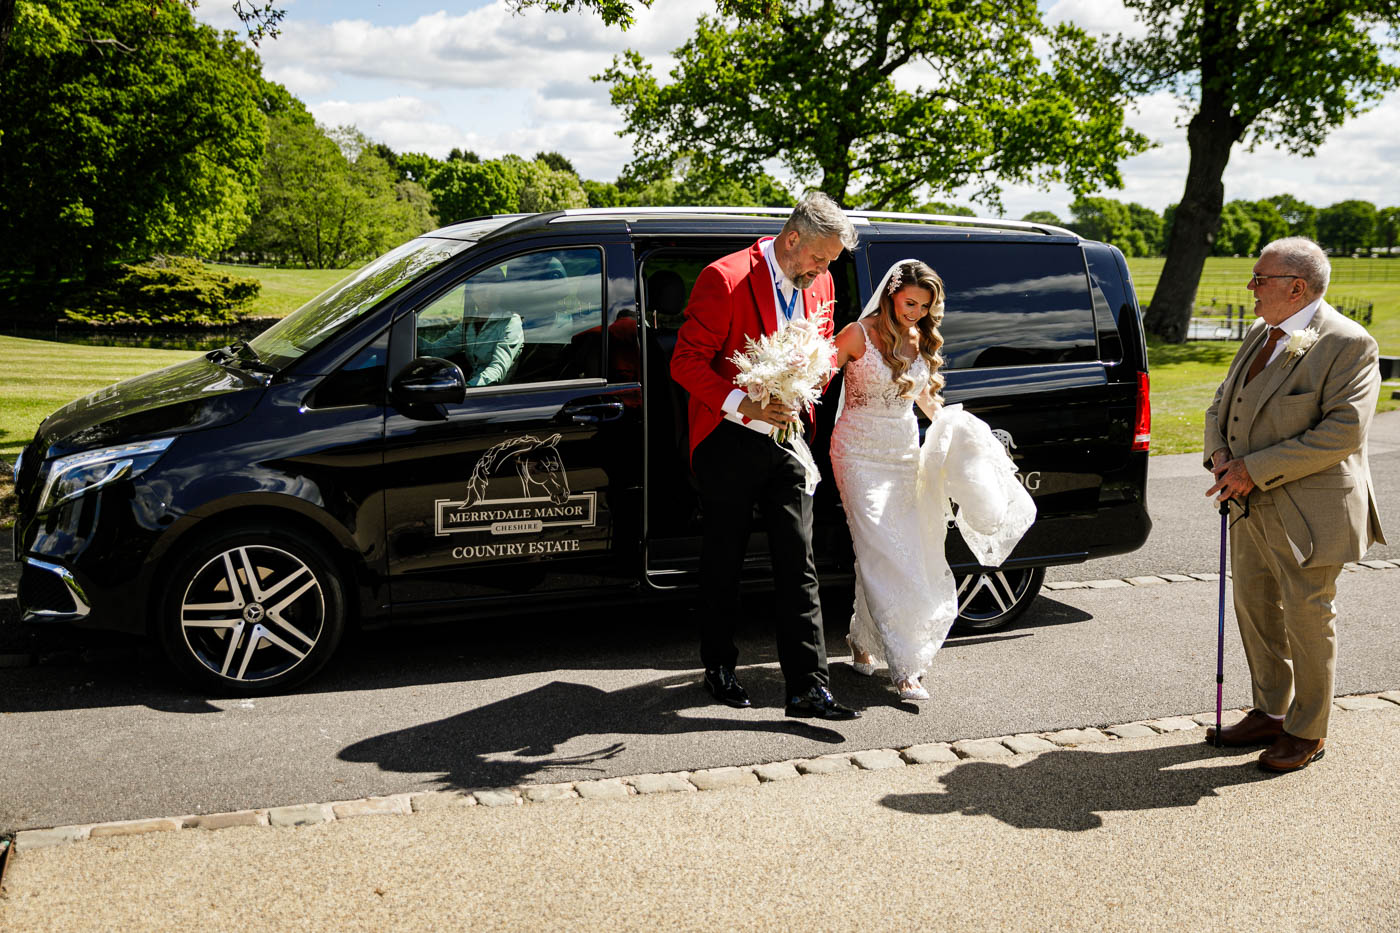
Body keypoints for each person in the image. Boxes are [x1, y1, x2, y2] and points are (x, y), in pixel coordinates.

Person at [670, 191, 860, 720]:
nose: (823, 271)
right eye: (819, 258)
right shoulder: (724, 277)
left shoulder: (822, 282)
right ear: (792, 238)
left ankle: (808, 689)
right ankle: (718, 667)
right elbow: (685, 362)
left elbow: (820, 351)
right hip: (728, 439)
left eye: (830, 263)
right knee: (724, 560)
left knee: (799, 561)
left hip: (789, 439)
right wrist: (744, 404)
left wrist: (809, 384)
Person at [1204, 236, 1385, 772]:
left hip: (1310, 512)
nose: (1251, 287)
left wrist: (1251, 468)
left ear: (1297, 287)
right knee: (1255, 608)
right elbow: (1222, 402)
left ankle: (1308, 731)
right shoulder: (1260, 332)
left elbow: (1343, 432)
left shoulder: (1349, 343)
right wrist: (1220, 453)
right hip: (1246, 504)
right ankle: (1270, 712)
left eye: (1260, 279)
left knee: (1308, 619)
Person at [830, 259, 1034, 701]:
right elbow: (817, 379)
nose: (916, 313)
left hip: (904, 454)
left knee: (898, 550)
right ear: (891, 295)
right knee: (883, 550)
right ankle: (906, 665)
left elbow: (925, 399)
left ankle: (862, 639)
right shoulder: (856, 334)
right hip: (857, 454)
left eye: (924, 307)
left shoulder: (918, 338)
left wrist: (960, 431)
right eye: (910, 303)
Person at [420, 267, 523, 387]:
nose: (487, 296)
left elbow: (497, 368)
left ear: (500, 292)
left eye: (493, 289)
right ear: (472, 293)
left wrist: (469, 388)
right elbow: (435, 350)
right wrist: (407, 337)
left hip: (496, 391)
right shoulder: (469, 323)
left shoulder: (510, 322)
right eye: (481, 290)